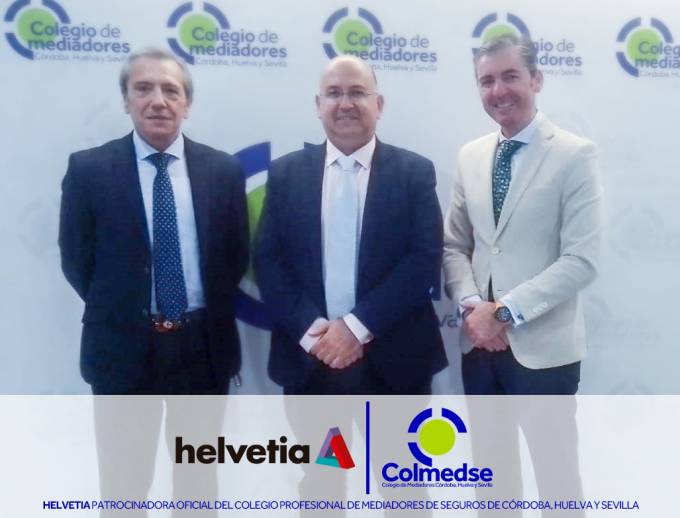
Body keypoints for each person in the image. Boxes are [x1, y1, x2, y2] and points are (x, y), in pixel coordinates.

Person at [59, 48, 248, 516]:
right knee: (123, 487)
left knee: (198, 484)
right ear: (126, 100)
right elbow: (77, 260)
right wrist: (128, 308)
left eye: (171, 90)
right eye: (143, 88)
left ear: (188, 104)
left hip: (201, 349)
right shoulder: (89, 170)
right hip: (123, 349)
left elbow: (233, 257)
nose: (158, 100)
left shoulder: (223, 171)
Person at [443, 35, 603, 515]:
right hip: (480, 349)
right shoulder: (470, 156)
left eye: (510, 76)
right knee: (492, 483)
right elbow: (455, 245)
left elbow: (582, 259)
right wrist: (476, 309)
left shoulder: (575, 154)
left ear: (536, 79)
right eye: (486, 81)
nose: (498, 90)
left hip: (544, 353)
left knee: (557, 483)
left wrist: (504, 312)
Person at [254, 55, 447, 396]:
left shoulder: (414, 172)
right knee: (319, 438)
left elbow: (423, 261)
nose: (345, 103)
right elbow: (269, 261)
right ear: (318, 105)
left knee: (395, 439)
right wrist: (316, 334)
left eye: (357, 92)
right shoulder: (286, 174)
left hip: (397, 362)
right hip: (309, 359)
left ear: (378, 104)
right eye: (333, 93)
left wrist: (355, 329)